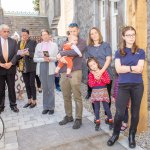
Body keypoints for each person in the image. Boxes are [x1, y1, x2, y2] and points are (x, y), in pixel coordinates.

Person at [107, 26, 145, 148]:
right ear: (123, 37)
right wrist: (132, 68)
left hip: (137, 86)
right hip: (123, 86)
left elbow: (140, 70)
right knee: (119, 112)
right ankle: (115, 134)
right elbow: (118, 69)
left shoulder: (141, 51)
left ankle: (131, 135)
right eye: (128, 35)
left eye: (133, 35)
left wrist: (126, 68)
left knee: (135, 112)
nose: (131, 37)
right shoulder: (119, 52)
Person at [58, 23, 86, 129]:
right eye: (70, 31)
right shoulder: (65, 41)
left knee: (77, 96)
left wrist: (62, 53)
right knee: (66, 95)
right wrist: (61, 53)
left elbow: (74, 52)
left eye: (74, 31)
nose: (72, 33)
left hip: (75, 71)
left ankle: (78, 118)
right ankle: (69, 116)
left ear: (78, 30)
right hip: (64, 71)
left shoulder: (82, 42)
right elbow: (60, 52)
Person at [85, 27, 113, 124]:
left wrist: (101, 72)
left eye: (95, 33)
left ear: (99, 33)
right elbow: (87, 61)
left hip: (106, 73)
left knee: (107, 96)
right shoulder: (88, 47)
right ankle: (96, 116)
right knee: (94, 96)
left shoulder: (106, 45)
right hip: (93, 75)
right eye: (91, 34)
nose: (94, 35)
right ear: (90, 36)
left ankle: (107, 115)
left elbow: (108, 59)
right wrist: (93, 72)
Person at [34, 29, 58, 115]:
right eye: (43, 35)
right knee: (45, 88)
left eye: (46, 34)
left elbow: (56, 58)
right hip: (41, 67)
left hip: (50, 66)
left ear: (49, 35)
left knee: (50, 88)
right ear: (41, 37)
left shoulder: (54, 45)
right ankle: (45, 107)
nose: (44, 36)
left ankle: (51, 107)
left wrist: (50, 58)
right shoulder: (38, 46)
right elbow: (35, 58)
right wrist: (43, 59)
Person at [87, 57, 113, 131]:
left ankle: (110, 120)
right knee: (96, 109)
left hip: (103, 92)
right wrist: (95, 78)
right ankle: (97, 121)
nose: (93, 66)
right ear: (89, 68)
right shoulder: (91, 74)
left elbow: (108, 81)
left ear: (97, 63)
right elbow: (90, 85)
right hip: (95, 93)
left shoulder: (103, 71)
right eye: (91, 65)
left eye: (94, 64)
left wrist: (100, 77)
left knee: (106, 108)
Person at [0, 24, 19, 113]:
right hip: (0, 70)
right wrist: (0, 64)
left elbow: (17, 54)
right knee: (1, 89)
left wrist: (11, 63)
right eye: (5, 31)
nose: (6, 33)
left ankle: (13, 105)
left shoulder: (13, 41)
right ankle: (1, 106)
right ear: (0, 32)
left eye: (8, 31)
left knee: (11, 88)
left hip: (10, 69)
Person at [17, 28, 37, 108]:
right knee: (27, 84)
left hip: (31, 66)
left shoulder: (33, 42)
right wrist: (20, 54)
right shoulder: (19, 43)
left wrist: (28, 53)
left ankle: (34, 101)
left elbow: (36, 53)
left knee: (32, 84)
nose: (24, 36)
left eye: (25, 35)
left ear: (28, 35)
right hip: (23, 67)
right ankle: (29, 100)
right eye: (22, 35)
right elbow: (17, 53)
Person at [11, 31, 25, 100]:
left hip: (20, 65)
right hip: (13, 66)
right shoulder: (11, 45)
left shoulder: (20, 45)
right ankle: (16, 94)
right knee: (15, 81)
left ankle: (21, 93)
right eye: (14, 38)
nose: (15, 40)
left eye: (16, 38)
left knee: (21, 80)